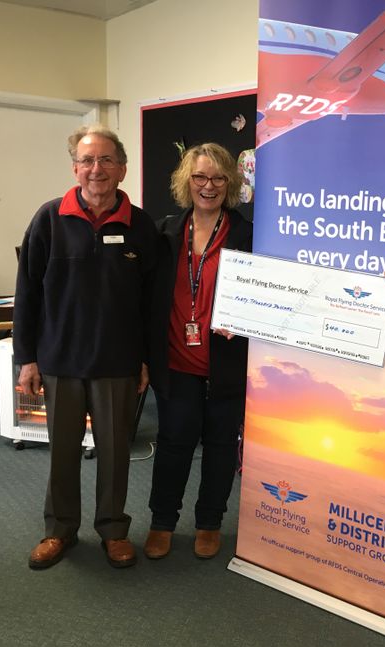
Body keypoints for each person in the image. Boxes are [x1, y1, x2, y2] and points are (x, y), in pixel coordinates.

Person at [15, 124, 157, 570]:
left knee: (115, 452)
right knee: (62, 450)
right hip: (60, 359)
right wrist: (26, 358)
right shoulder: (49, 218)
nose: (97, 169)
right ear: (75, 167)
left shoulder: (141, 225)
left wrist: (146, 359)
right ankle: (59, 530)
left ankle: (113, 530)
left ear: (123, 168)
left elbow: (151, 302)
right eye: (88, 160)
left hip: (116, 361)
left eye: (107, 160)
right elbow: (28, 294)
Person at [143, 143, 252, 561]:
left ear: (231, 182)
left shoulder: (247, 234)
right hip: (176, 359)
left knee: (222, 444)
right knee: (174, 441)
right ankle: (162, 521)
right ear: (186, 182)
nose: (209, 186)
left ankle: (209, 522)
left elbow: (264, 297)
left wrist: (243, 319)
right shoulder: (165, 232)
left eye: (218, 178)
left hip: (227, 360)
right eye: (200, 177)